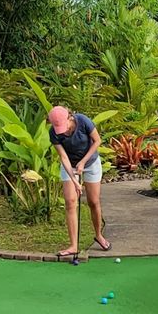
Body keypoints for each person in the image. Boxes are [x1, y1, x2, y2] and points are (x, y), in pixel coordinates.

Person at [47, 106, 110, 257]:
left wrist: (83, 162)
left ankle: (98, 235)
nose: (62, 131)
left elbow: (97, 141)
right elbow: (63, 157)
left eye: (63, 126)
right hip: (70, 166)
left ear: (69, 117)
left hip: (91, 162)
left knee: (93, 201)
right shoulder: (54, 133)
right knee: (70, 202)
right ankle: (73, 246)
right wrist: (75, 181)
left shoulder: (82, 121)